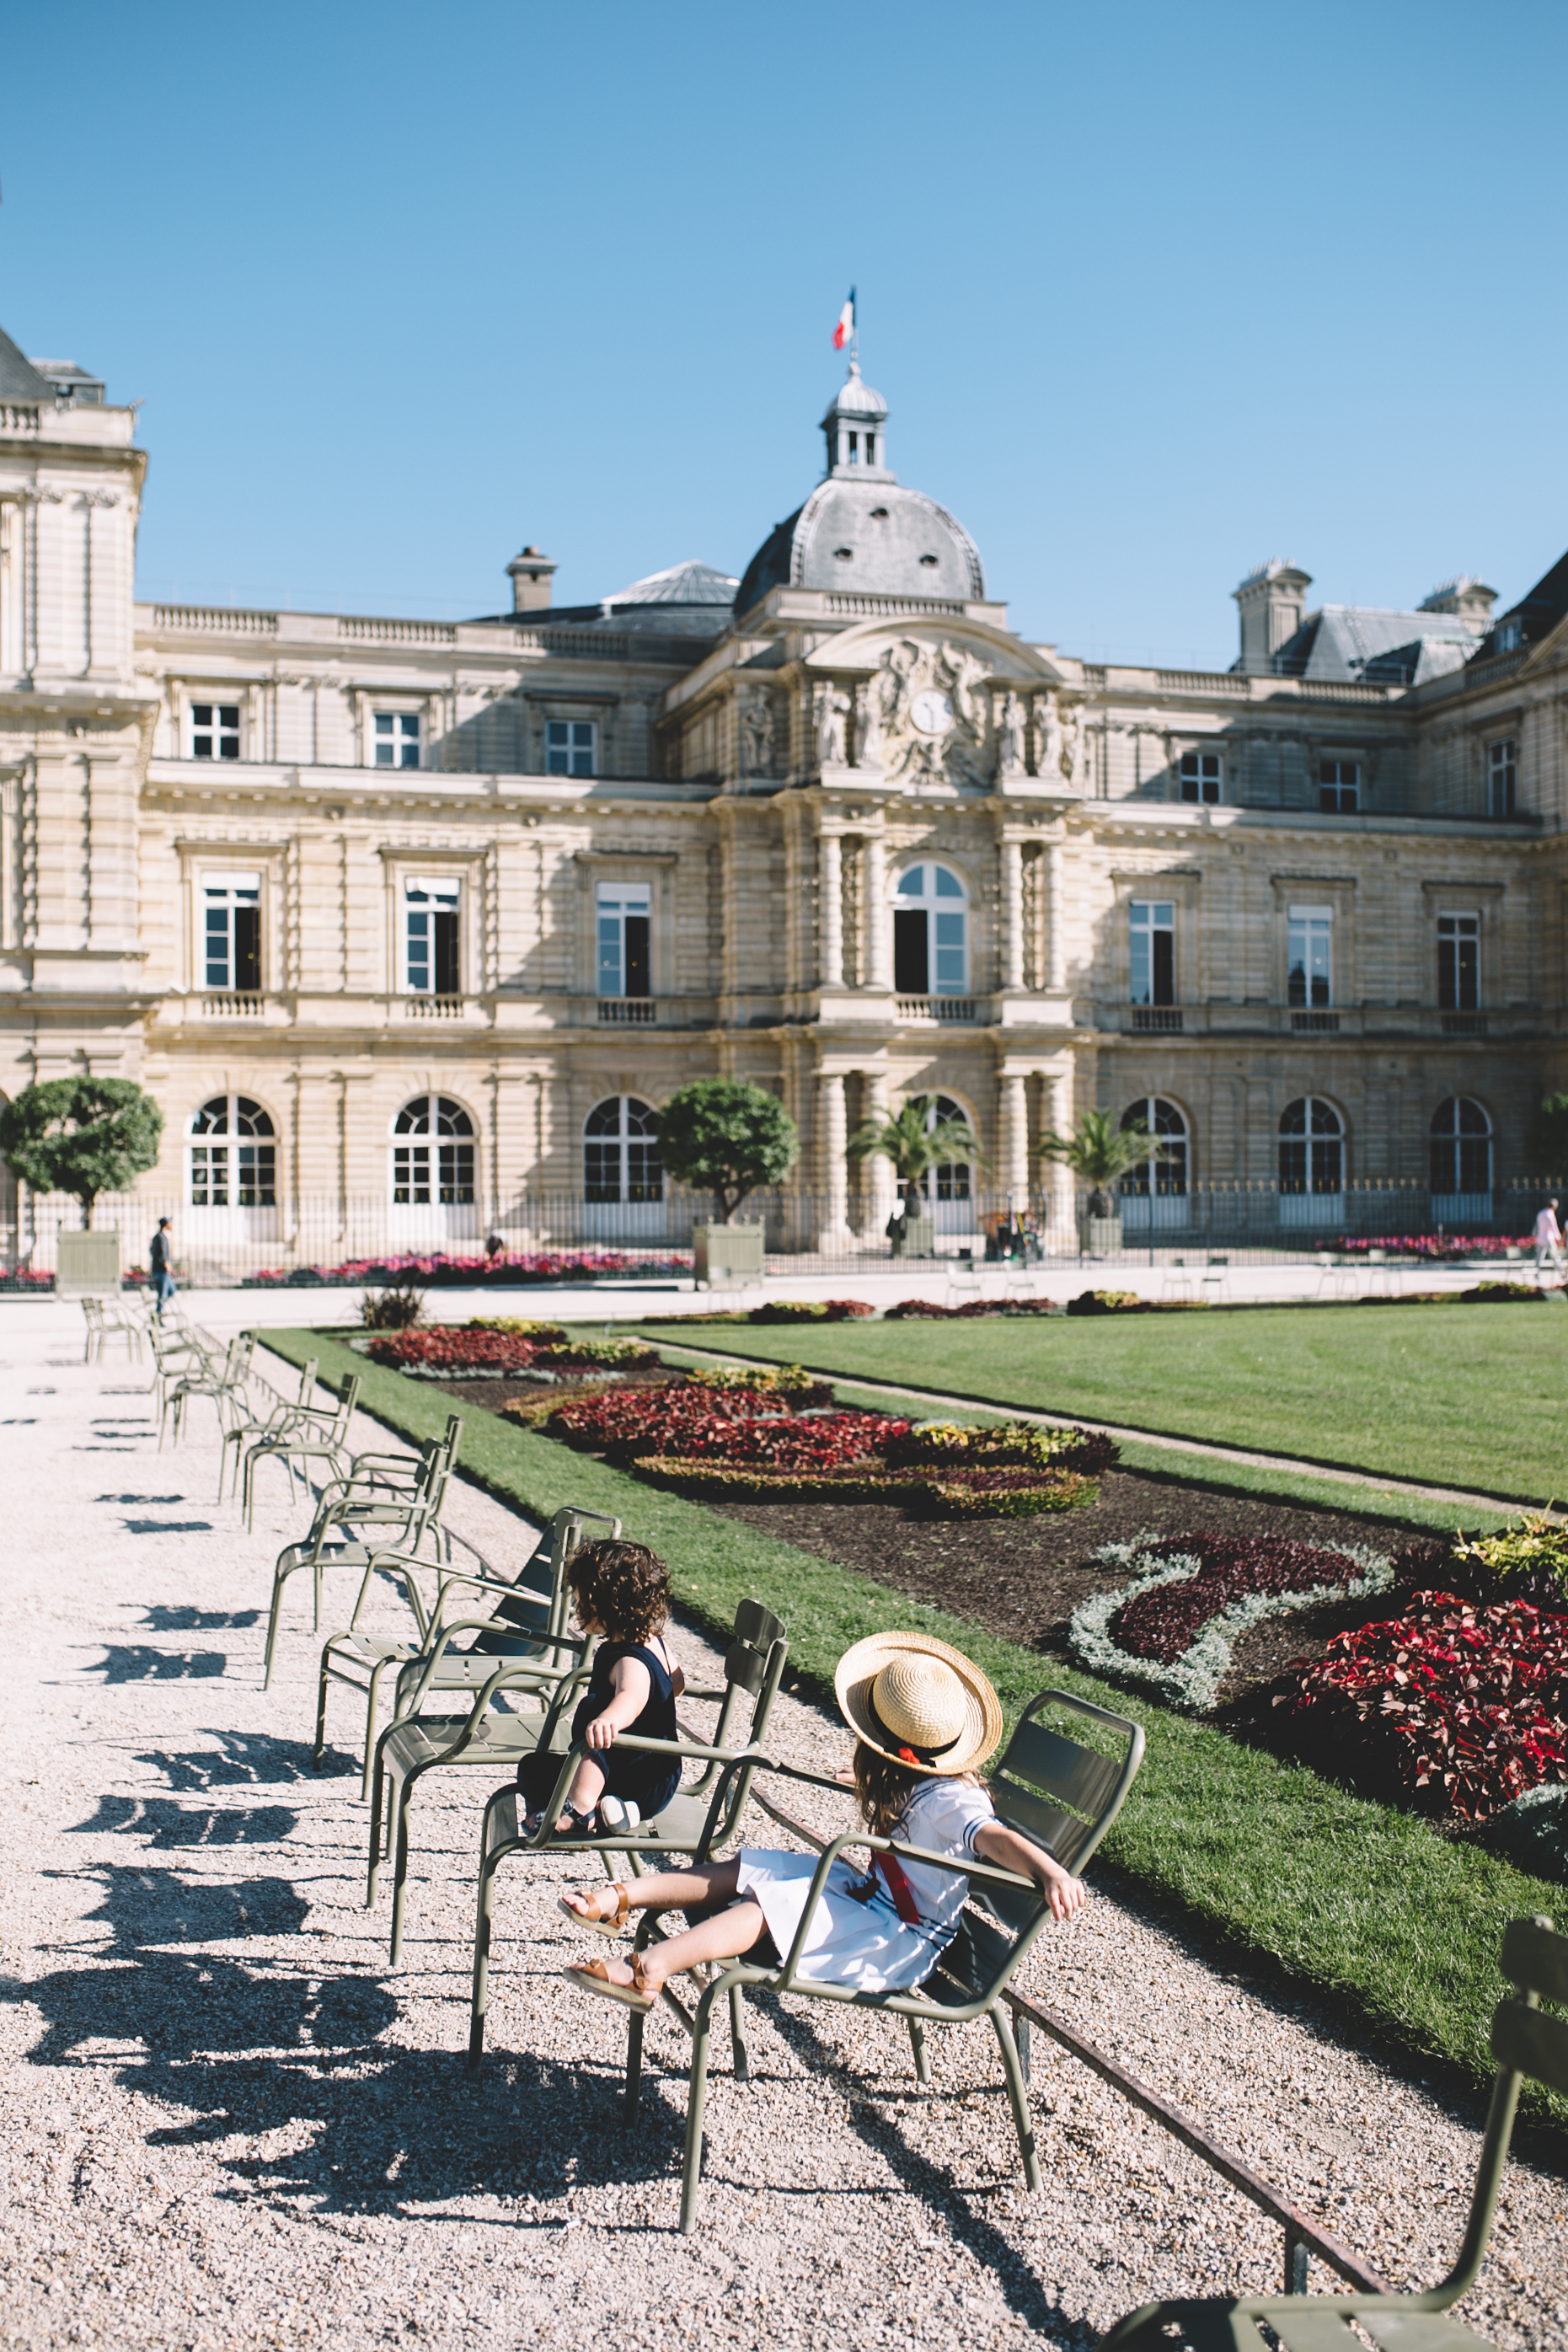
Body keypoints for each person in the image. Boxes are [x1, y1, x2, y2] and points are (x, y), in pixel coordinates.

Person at [560, 1631, 1086, 2012]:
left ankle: (649, 1969)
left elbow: (995, 1838)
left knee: (771, 1904)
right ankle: (621, 1897)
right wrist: (870, 1784)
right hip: (871, 1897)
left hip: (896, 1938)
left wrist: (1051, 1872)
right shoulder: (918, 1784)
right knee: (755, 1868)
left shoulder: (955, 1801)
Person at [517, 1540, 686, 1838]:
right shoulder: (655, 1641)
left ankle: (579, 1811)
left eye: (582, 1603)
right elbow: (676, 1683)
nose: (577, 1610)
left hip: (634, 1777)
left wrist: (611, 1719)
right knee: (533, 1768)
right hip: (656, 1774)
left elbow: (631, 1697)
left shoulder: (629, 1659)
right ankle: (611, 1811)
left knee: (598, 1738)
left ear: (608, 1605)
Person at [147, 1217, 176, 1318]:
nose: (171, 1224)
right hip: (162, 1271)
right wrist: (166, 1265)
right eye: (170, 1222)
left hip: (159, 1270)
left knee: (170, 1292)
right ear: (166, 1224)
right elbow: (162, 1254)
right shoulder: (161, 1237)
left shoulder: (158, 1236)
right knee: (164, 1295)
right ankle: (157, 1316)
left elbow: (151, 1250)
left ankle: (158, 1314)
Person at [1534, 1197, 1565, 1278]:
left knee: (1539, 1258)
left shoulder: (1541, 1213)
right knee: (1555, 1257)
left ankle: (1537, 1274)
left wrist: (1534, 1235)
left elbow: (1536, 1226)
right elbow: (1554, 1227)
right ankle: (1562, 1274)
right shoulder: (1550, 1214)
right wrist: (1558, 1237)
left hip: (1540, 1238)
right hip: (1549, 1239)